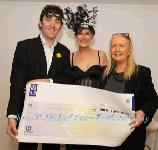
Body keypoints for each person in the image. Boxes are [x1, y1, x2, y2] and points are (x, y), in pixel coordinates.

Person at [6, 5, 71, 150]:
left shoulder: (65, 52)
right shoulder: (24, 46)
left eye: (57, 21)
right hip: (28, 114)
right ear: (40, 22)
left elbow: (67, 80)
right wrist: (12, 115)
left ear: (61, 26)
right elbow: (16, 83)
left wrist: (48, 81)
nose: (52, 25)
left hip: (54, 117)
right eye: (48, 19)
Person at [102, 33, 158, 150]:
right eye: (113, 46)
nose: (117, 49)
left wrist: (142, 112)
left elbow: (153, 100)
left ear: (129, 50)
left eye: (121, 46)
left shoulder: (141, 72)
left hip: (132, 136)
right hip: (107, 135)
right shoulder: (104, 73)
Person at [64, 4, 107, 150]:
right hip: (74, 111)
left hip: (96, 111)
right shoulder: (69, 57)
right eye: (80, 33)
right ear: (75, 36)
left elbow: (108, 84)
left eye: (87, 33)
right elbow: (65, 84)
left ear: (92, 36)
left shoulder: (101, 55)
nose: (83, 37)